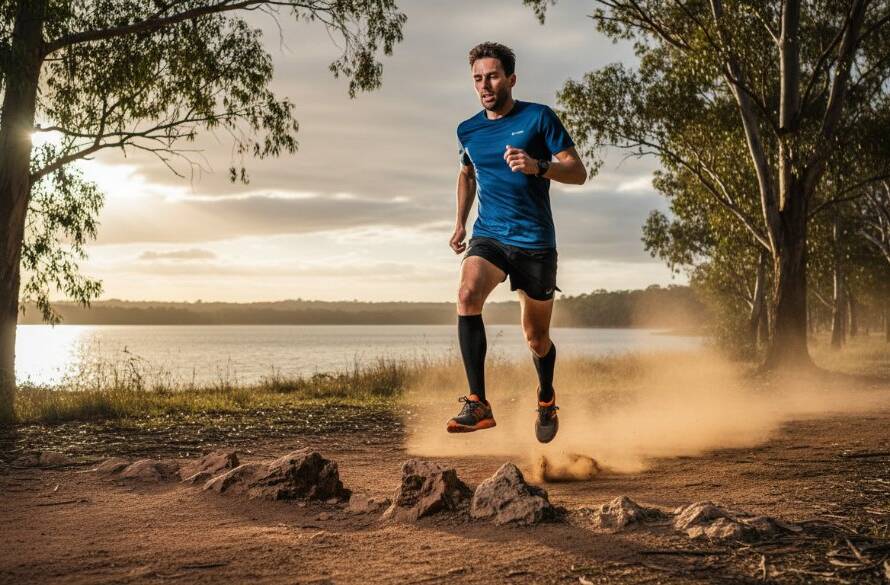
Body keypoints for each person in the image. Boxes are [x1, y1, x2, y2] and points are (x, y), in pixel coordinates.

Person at [447, 42, 587, 443]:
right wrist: (459, 222)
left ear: (511, 78)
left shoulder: (539, 117)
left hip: (535, 241)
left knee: (536, 338)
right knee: (467, 294)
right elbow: (467, 173)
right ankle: (478, 403)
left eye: (492, 76)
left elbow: (577, 172)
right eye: (477, 78)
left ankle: (545, 397)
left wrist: (538, 166)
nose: (485, 85)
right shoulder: (468, 129)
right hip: (489, 235)